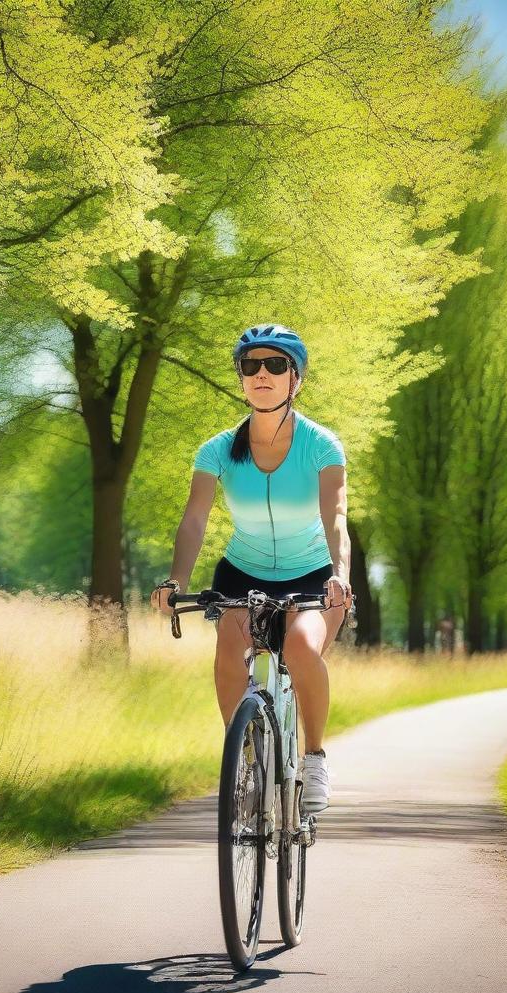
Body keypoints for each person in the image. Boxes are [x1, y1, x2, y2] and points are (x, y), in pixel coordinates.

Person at [150, 324, 351, 814]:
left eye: (275, 365)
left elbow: (336, 515)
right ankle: (243, 758)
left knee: (303, 647)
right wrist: (176, 578)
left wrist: (340, 574)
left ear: (295, 378)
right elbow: (195, 517)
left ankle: (315, 757)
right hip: (242, 573)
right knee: (228, 646)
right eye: (251, 365)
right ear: (241, 379)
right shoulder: (217, 449)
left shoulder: (321, 445)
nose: (262, 374)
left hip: (312, 575)